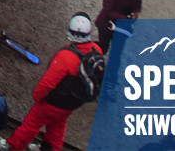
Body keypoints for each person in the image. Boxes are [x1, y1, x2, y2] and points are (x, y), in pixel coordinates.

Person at [7, 14, 104, 150]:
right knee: (57, 125)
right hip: (72, 103)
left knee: (31, 124)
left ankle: (12, 146)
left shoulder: (65, 57)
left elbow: (48, 83)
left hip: (52, 103)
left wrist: (37, 96)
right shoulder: (96, 50)